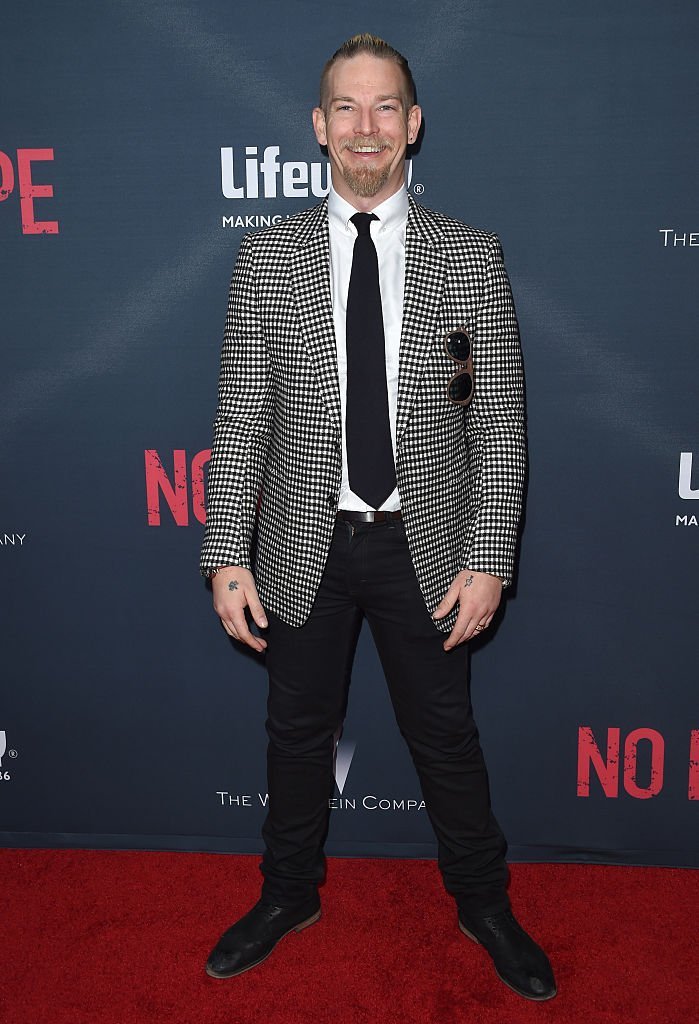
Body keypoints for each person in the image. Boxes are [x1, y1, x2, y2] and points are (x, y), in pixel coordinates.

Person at [200, 34, 556, 1001]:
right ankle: (287, 894)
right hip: (300, 544)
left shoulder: (469, 258)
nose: (366, 127)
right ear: (318, 128)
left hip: (423, 545)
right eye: (346, 109)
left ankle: (483, 904)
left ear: (414, 124)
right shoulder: (266, 256)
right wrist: (226, 553)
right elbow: (241, 421)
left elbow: (497, 424)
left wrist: (489, 560)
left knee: (446, 738)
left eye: (385, 107)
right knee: (294, 731)